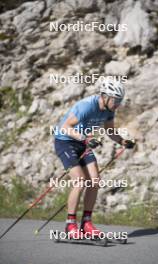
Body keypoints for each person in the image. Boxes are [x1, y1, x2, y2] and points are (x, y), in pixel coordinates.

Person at [54, 77, 135, 238]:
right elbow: (65, 127)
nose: (118, 103)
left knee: (95, 180)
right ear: (105, 96)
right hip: (65, 141)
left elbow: (109, 130)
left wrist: (122, 141)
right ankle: (70, 225)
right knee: (80, 181)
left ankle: (86, 223)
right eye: (116, 100)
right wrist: (86, 139)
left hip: (83, 142)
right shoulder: (86, 106)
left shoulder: (110, 109)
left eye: (120, 100)